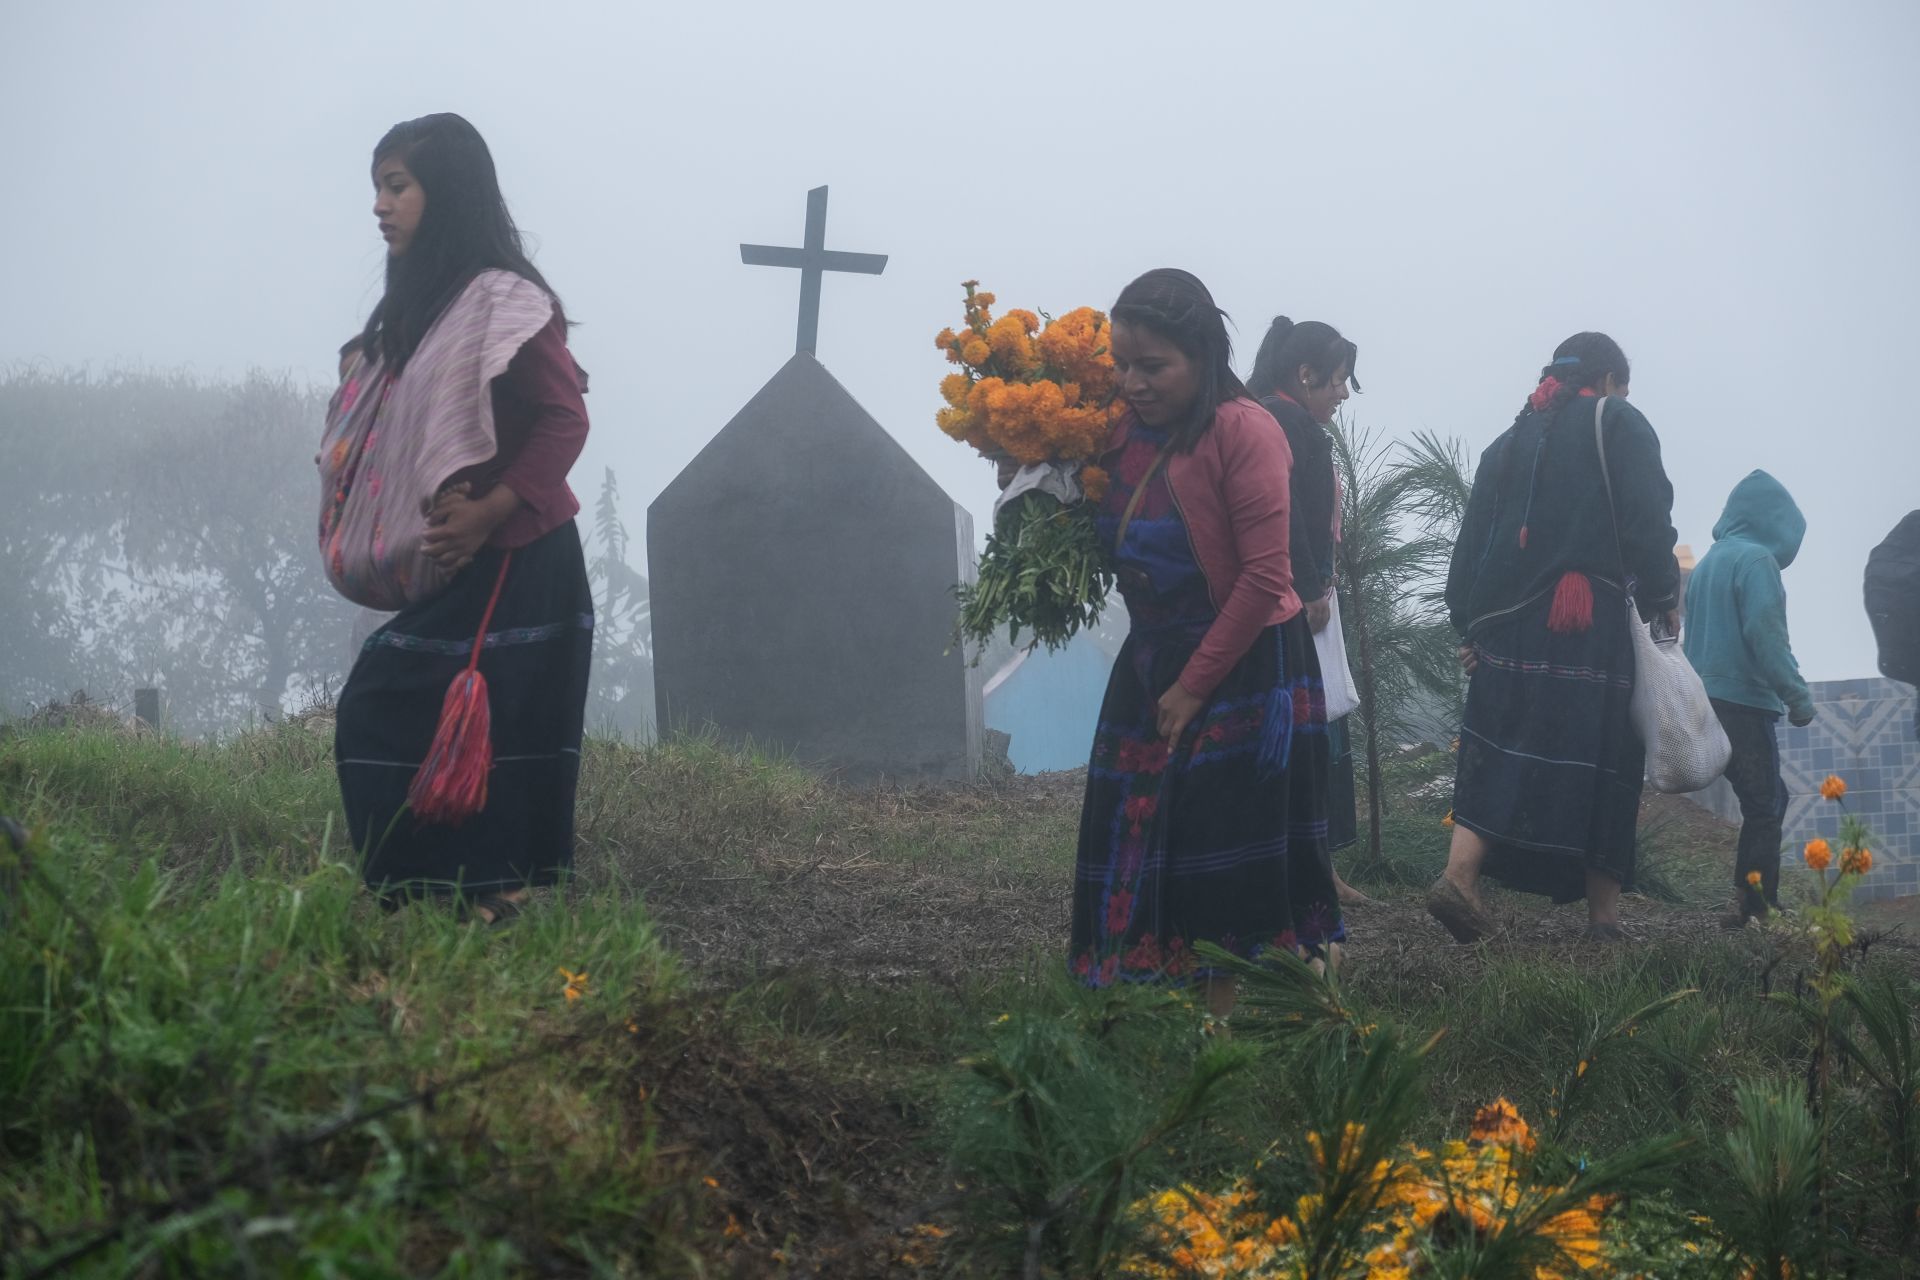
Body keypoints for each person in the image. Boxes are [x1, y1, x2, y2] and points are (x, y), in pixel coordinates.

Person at [323, 113, 593, 925]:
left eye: (397, 186)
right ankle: (463, 898)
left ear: (448, 194)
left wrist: (492, 510)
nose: (380, 205)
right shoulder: (421, 310)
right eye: (377, 187)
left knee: (428, 710)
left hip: (521, 552)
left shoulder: (508, 305)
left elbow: (564, 419)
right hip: (462, 556)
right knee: (411, 710)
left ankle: (484, 897)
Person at [1068, 269, 1343, 1018]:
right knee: (1138, 824)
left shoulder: (1245, 430)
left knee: (1221, 844)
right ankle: (1139, 1000)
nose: (1132, 382)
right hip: (1155, 650)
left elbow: (1263, 577)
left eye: (1152, 367)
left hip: (1247, 658)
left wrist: (1195, 686)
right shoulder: (1121, 429)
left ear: (1202, 356)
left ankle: (1225, 1025)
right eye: (1123, 364)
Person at [1435, 333, 1679, 943]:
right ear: (1610, 380)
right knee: (1605, 758)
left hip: (1508, 628)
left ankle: (1459, 877)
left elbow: (1472, 547)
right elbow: (1649, 518)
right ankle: (1603, 919)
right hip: (1588, 622)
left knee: (1502, 747)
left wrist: (1469, 624)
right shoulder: (1618, 421)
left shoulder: (1507, 443)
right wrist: (1661, 595)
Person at [1246, 317, 1370, 905]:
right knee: (1309, 734)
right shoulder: (1287, 422)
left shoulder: (1267, 415)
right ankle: (1312, 869)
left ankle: (1318, 866)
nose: (1344, 394)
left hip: (1289, 594)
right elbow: (1287, 511)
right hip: (1295, 601)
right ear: (1305, 375)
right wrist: (1312, 587)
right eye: (1339, 380)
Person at [1682, 472, 1814, 925]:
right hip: (1743, 703)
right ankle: (1755, 905)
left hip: (1705, 700)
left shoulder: (1709, 563)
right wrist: (1797, 695)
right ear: (1775, 524)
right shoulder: (1757, 561)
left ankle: (1748, 899)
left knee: (1769, 797)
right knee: (1766, 805)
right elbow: (1766, 634)